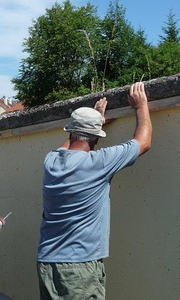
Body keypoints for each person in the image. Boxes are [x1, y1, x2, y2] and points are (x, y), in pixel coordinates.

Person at [37, 82, 152, 299]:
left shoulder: (51, 161)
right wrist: (141, 106)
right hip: (78, 268)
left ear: (70, 132)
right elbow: (143, 142)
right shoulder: (98, 163)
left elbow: (68, 145)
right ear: (97, 137)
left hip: (47, 263)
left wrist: (95, 120)